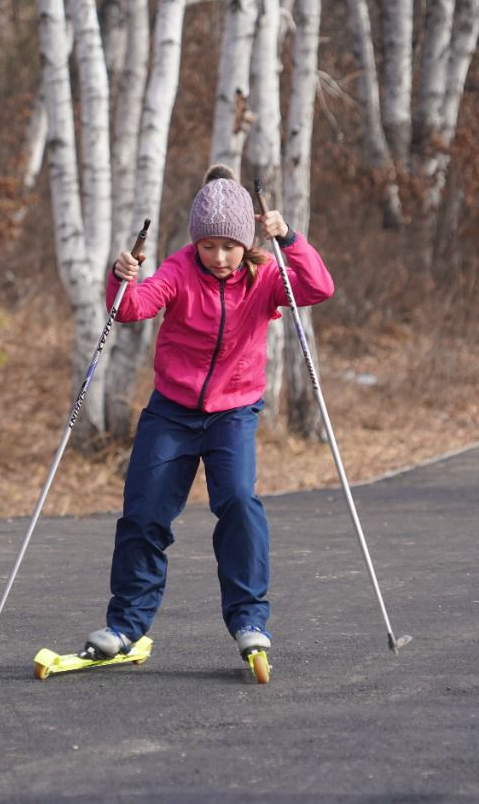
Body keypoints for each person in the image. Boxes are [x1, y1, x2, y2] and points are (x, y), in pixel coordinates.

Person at [83, 164, 336, 663]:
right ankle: (125, 626)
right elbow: (132, 308)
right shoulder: (179, 270)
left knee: (240, 502)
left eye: (229, 246)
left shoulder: (266, 276)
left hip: (233, 414)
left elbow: (317, 288)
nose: (218, 257)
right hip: (171, 414)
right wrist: (119, 278)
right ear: (195, 242)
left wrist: (290, 240)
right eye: (208, 246)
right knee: (144, 515)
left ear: (246, 243)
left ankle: (248, 620)